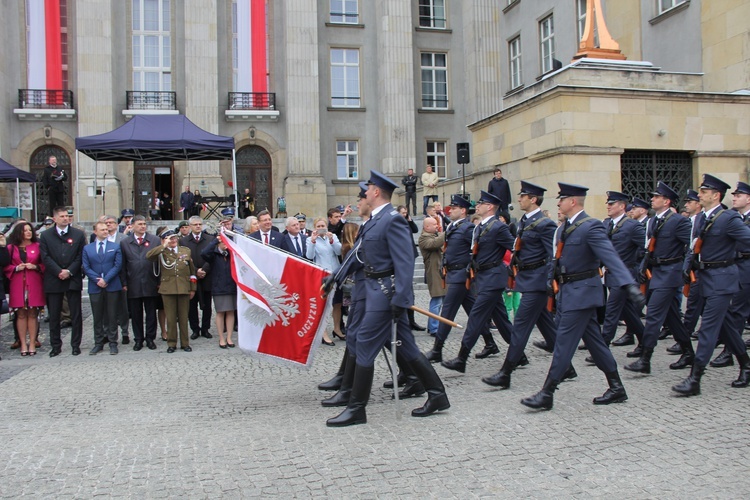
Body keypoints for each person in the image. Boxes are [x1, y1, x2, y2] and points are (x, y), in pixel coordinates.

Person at [325, 170, 449, 427]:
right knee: (408, 347)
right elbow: (359, 255)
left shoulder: (392, 220)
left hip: (384, 293)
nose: (365, 191)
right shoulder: (374, 221)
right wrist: (336, 275)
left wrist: (401, 298)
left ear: (376, 192)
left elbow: (405, 261)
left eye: (368, 187)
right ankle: (437, 394)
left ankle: (357, 408)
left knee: (365, 342)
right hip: (372, 289)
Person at [521, 183, 643, 410]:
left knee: (563, 344)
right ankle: (617, 387)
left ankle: (547, 393)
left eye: (562, 199)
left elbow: (611, 257)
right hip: (570, 293)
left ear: (572, 201)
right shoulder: (566, 227)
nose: (558, 203)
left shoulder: (591, 227)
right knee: (596, 344)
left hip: (583, 294)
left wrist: (629, 285)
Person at [672, 175, 750, 395]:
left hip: (722, 280)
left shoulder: (728, 218)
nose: (700, 195)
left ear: (716, 196)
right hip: (706, 279)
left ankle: (695, 378)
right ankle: (746, 364)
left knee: (708, 329)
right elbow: (695, 246)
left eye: (705, 192)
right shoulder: (702, 218)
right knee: (726, 325)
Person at [481, 181, 562, 389]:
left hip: (537, 281)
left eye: (523, 196)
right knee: (545, 323)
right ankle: (567, 367)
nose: (519, 199)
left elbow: (552, 256)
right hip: (526, 278)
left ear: (533, 199)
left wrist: (548, 282)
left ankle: (506, 372)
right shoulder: (524, 221)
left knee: (521, 327)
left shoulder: (545, 224)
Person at [441, 190, 515, 373]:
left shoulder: (498, 227)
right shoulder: (481, 226)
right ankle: (519, 354)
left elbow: (514, 248)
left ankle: (461, 358)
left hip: (493, 278)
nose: (478, 206)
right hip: (483, 278)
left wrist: (509, 269)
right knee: (502, 320)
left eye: (481, 203)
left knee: (475, 318)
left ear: (489, 207)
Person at [624, 181, 694, 375]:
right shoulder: (654, 221)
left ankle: (645, 358)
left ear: (666, 201)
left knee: (653, 315)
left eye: (656, 197)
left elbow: (689, 246)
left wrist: (684, 269)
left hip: (670, 273)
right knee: (672, 317)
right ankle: (688, 352)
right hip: (655, 273)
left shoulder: (678, 221)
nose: (652, 199)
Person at [423, 195, 501, 363]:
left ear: (463, 210)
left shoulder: (467, 228)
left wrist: (472, 267)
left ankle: (437, 349)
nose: (450, 210)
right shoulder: (453, 226)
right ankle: (490, 343)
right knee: (474, 311)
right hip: (454, 274)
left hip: (461, 275)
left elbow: (476, 249)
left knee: (447, 312)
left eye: (454, 208)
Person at [597, 191, 646, 356]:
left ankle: (602, 347)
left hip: (626, 274)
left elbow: (644, 250)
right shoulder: (606, 224)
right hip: (611, 275)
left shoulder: (633, 226)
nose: (608, 206)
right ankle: (645, 340)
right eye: (608, 203)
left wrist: (638, 269)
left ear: (622, 206)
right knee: (627, 312)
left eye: (612, 204)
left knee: (612, 310)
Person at [39, 206, 86, 357]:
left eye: (67, 216)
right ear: (54, 219)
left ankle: (75, 345)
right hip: (54, 279)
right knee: (54, 314)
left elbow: (80, 256)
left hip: (72, 278)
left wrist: (70, 271)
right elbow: (45, 257)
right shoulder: (46, 235)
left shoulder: (78, 234)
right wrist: (58, 271)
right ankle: (55, 345)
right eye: (62, 216)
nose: (66, 218)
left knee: (76, 313)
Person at [146, 230, 197, 353]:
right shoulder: (162, 252)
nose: (173, 241)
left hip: (184, 287)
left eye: (174, 238)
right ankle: (172, 343)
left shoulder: (185, 251)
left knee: (184, 318)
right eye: (170, 239)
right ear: (164, 240)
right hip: (168, 289)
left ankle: (185, 343)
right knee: (171, 318)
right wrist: (164, 245)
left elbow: (192, 272)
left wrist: (193, 288)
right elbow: (149, 256)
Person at [120, 215, 161, 351]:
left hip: (150, 281)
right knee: (136, 314)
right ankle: (138, 339)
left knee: (151, 313)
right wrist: (124, 282)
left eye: (144, 224)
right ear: (132, 226)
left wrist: (159, 280)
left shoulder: (154, 240)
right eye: (139, 224)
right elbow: (123, 264)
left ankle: (150, 338)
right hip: (133, 283)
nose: (143, 226)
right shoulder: (125, 243)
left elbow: (159, 262)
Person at [4, 222, 45, 356]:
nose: (28, 232)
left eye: (29, 230)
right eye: (25, 230)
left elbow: (45, 263)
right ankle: (22, 343)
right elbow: (5, 265)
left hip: (34, 282)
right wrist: (16, 268)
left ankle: (32, 342)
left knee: (33, 313)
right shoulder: (11, 248)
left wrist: (36, 267)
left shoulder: (38, 246)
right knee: (20, 314)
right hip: (17, 283)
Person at [83, 221, 124, 355]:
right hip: (95, 286)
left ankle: (113, 342)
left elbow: (117, 265)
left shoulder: (115, 246)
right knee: (97, 315)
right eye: (102, 230)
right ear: (95, 232)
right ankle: (98, 342)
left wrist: (106, 279)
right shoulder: (88, 248)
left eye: (107, 229)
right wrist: (97, 279)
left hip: (111, 284)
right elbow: (86, 267)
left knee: (112, 314)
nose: (105, 232)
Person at [306, 216, 342, 346]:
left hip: (335, 273)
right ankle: (323, 332)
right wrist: (313, 241)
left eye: (323, 226)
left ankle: (337, 328)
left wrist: (332, 239)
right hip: (322, 274)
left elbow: (339, 251)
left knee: (337, 303)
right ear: (314, 228)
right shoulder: (310, 239)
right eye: (318, 226)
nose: (321, 228)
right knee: (325, 305)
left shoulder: (332, 237)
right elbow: (309, 256)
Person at [180, 216, 214, 340]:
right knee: (192, 305)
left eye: (200, 224)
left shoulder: (210, 239)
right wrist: (195, 271)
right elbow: (183, 258)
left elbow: (212, 257)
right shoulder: (183, 241)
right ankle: (195, 329)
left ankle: (205, 328)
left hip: (206, 276)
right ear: (190, 227)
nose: (198, 226)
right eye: (195, 224)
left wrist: (204, 270)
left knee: (207, 305)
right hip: (191, 277)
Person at [201, 235, 237, 349]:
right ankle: (221, 337)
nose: (226, 245)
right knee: (221, 312)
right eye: (223, 242)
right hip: (219, 287)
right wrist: (216, 240)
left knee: (231, 312)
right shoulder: (214, 255)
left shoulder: (231, 254)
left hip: (231, 286)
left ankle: (229, 337)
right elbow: (204, 253)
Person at [397, 205, 425, 331]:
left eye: (405, 212)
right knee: (406, 291)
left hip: (410, 255)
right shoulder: (396, 224)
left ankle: (411, 321)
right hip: (402, 257)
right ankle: (404, 321)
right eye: (402, 212)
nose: (404, 214)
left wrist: (409, 219)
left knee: (410, 292)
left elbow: (414, 229)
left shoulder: (406, 223)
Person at [418, 217, 446, 336]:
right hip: (434, 273)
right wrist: (447, 232)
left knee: (441, 300)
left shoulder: (434, 235)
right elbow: (434, 244)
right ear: (426, 227)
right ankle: (433, 328)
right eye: (434, 224)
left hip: (441, 272)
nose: (437, 226)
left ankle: (436, 325)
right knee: (437, 300)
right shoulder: (424, 238)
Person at [105, 215, 129, 344]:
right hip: (105, 277)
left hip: (120, 277)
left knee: (123, 308)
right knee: (107, 308)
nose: (109, 225)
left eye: (111, 222)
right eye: (106, 223)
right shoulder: (98, 237)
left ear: (117, 224)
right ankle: (107, 332)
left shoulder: (123, 238)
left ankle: (125, 332)